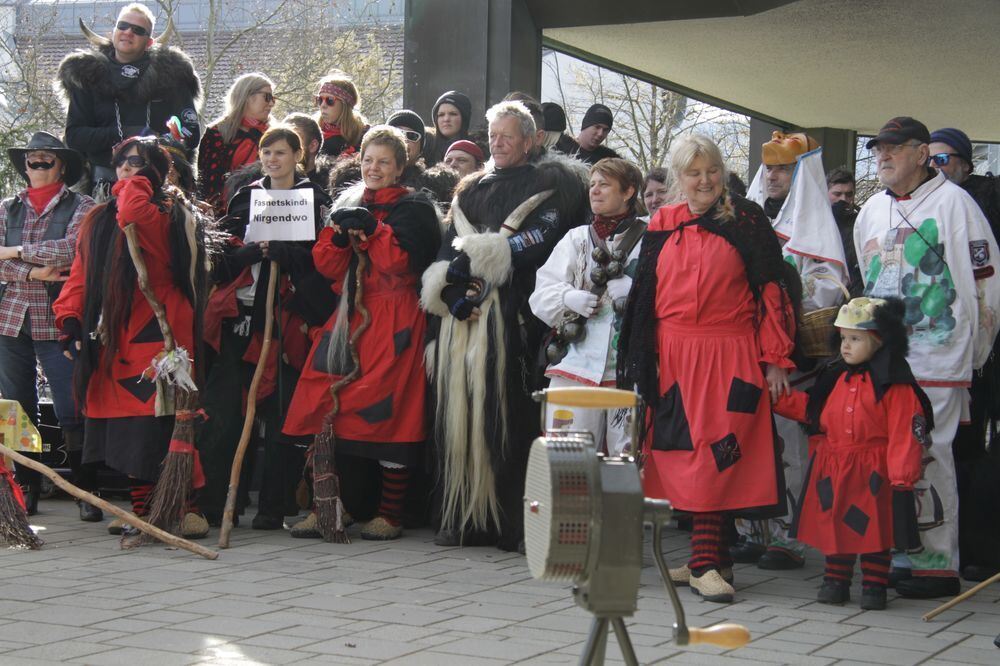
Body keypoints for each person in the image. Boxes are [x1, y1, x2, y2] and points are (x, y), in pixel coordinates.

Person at [618, 134, 795, 603]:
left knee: (720, 453)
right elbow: (645, 299)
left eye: (712, 170)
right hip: (673, 356)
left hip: (731, 354)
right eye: (693, 173)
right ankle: (716, 559)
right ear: (678, 178)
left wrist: (775, 358)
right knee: (682, 452)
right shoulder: (661, 222)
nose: (704, 181)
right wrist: (642, 359)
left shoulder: (747, 219)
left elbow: (771, 291)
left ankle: (702, 564)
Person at [421, 100, 587, 551]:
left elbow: (539, 243)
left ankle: (514, 520)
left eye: (507, 136)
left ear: (530, 140)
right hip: (463, 326)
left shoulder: (557, 186)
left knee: (512, 420)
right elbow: (445, 247)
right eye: (493, 136)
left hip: (519, 321)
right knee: (459, 419)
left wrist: (470, 263)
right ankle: (463, 515)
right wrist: (447, 289)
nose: (498, 143)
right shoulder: (470, 189)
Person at [855, 116, 1000, 598]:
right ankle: (901, 553)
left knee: (930, 453)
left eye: (894, 149)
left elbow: (986, 281)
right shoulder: (871, 209)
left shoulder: (958, 206)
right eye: (879, 149)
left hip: (939, 355)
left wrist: (974, 349)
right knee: (890, 456)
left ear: (922, 154)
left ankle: (937, 563)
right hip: (886, 356)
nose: (883, 156)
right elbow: (865, 270)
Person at [280, 126, 440, 540]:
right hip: (350, 315)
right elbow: (329, 268)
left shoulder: (416, 208)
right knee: (322, 402)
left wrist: (373, 232)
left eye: (384, 161)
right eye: (368, 160)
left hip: (395, 318)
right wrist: (337, 236)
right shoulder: (348, 202)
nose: (374, 168)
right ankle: (327, 507)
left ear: (400, 167)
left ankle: (389, 515)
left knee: (391, 413)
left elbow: (400, 266)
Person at [52, 136, 208, 537]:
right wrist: (68, 319)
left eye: (139, 163)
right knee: (127, 429)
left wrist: (139, 183)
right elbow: (81, 275)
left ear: (156, 172)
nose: (127, 169)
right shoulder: (98, 219)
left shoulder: (168, 214)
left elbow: (134, 213)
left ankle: (186, 507)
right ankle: (142, 510)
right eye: (123, 162)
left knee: (166, 421)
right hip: (117, 334)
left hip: (161, 333)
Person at [199, 126, 334, 531]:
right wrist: (243, 255)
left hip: (286, 321)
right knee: (225, 416)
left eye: (280, 152)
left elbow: (324, 262)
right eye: (266, 152)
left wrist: (292, 257)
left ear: (298, 155)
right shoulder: (244, 198)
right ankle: (220, 502)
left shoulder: (315, 201)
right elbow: (219, 257)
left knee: (280, 419)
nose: (272, 160)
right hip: (237, 319)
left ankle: (274, 507)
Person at [773, 298, 930, 610]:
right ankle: (835, 580)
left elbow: (905, 434)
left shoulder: (894, 385)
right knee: (835, 524)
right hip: (834, 467)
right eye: (843, 338)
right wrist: (776, 399)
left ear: (879, 341)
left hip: (874, 470)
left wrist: (901, 478)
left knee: (875, 527)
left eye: (855, 339)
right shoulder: (835, 376)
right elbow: (814, 411)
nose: (846, 347)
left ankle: (874, 585)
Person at [742, 131, 849, 570]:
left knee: (790, 447)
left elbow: (829, 288)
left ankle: (789, 539)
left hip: (795, 355)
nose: (772, 176)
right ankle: (752, 530)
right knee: (747, 444)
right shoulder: (749, 218)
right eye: (768, 168)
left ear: (801, 173)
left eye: (783, 168)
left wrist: (782, 297)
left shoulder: (815, 225)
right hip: (744, 351)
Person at [0, 132, 96, 519]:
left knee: (72, 405)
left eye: (44, 161)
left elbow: (75, 249)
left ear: (62, 167)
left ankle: (85, 490)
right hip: (9, 318)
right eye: (31, 161)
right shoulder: (7, 206)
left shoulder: (84, 205)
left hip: (60, 320)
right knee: (15, 409)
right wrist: (36, 272)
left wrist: (16, 252)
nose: (36, 166)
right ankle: (26, 490)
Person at [530, 158, 646, 455]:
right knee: (567, 464)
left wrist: (635, 294)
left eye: (604, 184)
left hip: (627, 371)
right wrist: (567, 298)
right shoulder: (576, 238)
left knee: (627, 465)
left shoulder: (651, 238)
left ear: (629, 191)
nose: (595, 191)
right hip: (575, 366)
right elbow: (541, 294)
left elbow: (672, 296)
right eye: (592, 184)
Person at [928, 127, 1000, 582]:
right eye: (928, 159)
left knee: (971, 452)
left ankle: (977, 548)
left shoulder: (982, 204)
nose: (933, 167)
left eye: (942, 159)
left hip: (981, 349)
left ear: (964, 164)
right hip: (936, 349)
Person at [56, 3, 201, 196]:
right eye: (123, 26)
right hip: (102, 190)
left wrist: (153, 142)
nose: (128, 32)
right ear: (113, 32)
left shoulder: (173, 75)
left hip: (162, 189)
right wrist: (125, 133)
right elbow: (75, 137)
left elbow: (190, 134)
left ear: (149, 42)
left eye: (138, 30)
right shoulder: (86, 76)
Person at [197, 74, 276, 216]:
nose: (271, 104)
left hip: (271, 212)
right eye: (267, 97)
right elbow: (208, 184)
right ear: (247, 96)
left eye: (273, 99)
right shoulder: (217, 133)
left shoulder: (276, 134)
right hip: (229, 214)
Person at [827, 167, 863, 295]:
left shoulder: (861, 222)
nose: (843, 199)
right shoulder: (816, 225)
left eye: (849, 194)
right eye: (837, 194)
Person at [314, 71, 367, 158]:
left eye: (330, 100)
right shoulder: (312, 133)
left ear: (345, 104)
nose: (323, 105)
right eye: (320, 99)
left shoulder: (364, 136)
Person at [422, 90, 472, 166]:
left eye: (453, 114)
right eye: (441, 115)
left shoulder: (477, 149)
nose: (446, 119)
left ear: (464, 119)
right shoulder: (423, 149)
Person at [283, 113, 331, 188]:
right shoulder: (266, 184)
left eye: (293, 139)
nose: (283, 146)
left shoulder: (327, 189)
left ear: (313, 146)